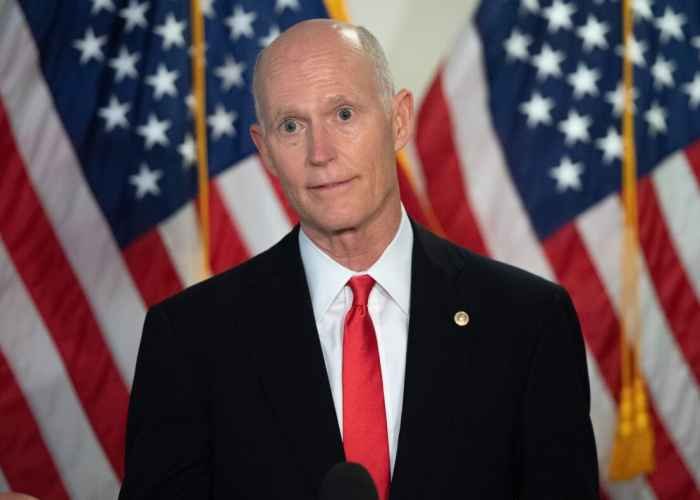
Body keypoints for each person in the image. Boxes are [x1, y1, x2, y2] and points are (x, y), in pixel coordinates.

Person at [119, 19, 599, 500]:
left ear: (399, 120)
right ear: (265, 151)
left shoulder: (528, 321)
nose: (320, 153)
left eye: (344, 114)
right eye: (291, 126)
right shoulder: (188, 340)